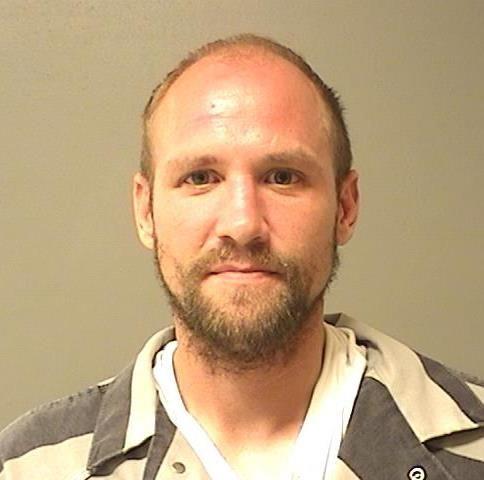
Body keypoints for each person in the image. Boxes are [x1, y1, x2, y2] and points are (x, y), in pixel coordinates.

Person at [0, 34, 482, 480]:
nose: (243, 224)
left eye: (283, 177)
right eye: (200, 178)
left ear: (346, 206)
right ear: (145, 211)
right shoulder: (29, 467)